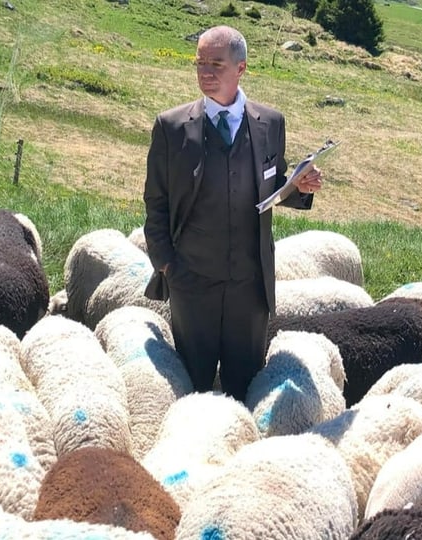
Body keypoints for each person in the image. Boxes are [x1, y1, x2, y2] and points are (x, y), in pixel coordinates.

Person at [143, 25, 323, 403]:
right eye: (200, 63)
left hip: (249, 288)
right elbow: (155, 202)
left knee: (248, 393)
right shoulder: (171, 127)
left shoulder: (270, 123)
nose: (206, 72)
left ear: (241, 68)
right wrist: (168, 267)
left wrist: (299, 189)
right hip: (191, 285)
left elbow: (272, 185)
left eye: (216, 64)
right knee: (190, 394)